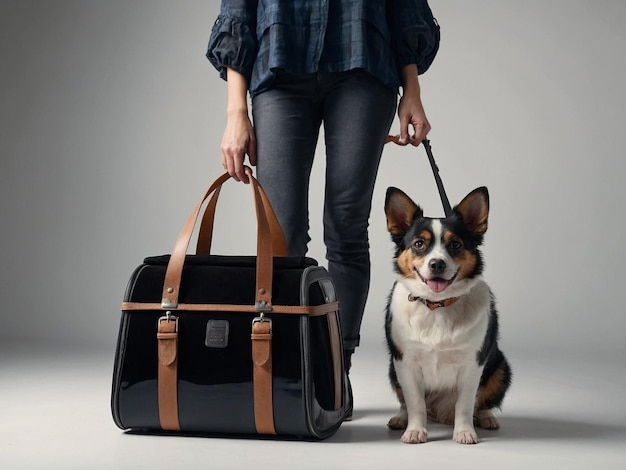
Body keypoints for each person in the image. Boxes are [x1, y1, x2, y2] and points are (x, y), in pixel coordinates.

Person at [206, 0, 440, 412]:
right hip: (279, 66)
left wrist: (413, 91)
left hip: (363, 66)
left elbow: (404, 7)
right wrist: (235, 110)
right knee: (282, 235)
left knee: (347, 228)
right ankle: (284, 372)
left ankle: (333, 371)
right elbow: (238, 12)